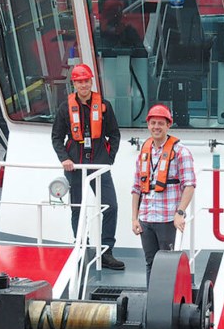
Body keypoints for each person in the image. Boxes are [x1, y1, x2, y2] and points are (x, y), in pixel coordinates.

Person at [51, 63, 125, 270]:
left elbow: (115, 134)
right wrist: (64, 159)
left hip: (99, 165)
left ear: (91, 81)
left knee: (111, 207)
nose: (83, 85)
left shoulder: (104, 106)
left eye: (86, 81)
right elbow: (56, 137)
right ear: (74, 83)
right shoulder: (65, 108)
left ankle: (106, 251)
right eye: (79, 81)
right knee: (77, 209)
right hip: (75, 166)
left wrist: (109, 159)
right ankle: (81, 248)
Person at [130, 104, 196, 285]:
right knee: (150, 262)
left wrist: (180, 213)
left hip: (167, 219)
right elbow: (136, 187)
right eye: (153, 123)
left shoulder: (181, 152)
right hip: (146, 218)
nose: (156, 127)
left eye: (160, 123)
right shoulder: (144, 153)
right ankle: (153, 300)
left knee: (167, 265)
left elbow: (189, 185)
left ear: (168, 125)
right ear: (148, 125)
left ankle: (167, 303)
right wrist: (134, 218)